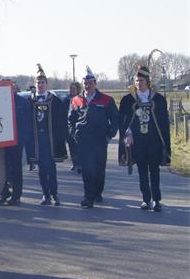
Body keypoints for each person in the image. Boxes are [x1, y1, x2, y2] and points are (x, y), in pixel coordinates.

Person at [119, 66, 171, 211]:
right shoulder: (128, 100)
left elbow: (163, 122)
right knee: (142, 170)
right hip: (138, 141)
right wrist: (128, 133)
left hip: (153, 141)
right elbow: (123, 120)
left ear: (147, 81)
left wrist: (164, 141)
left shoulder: (158, 99)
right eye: (136, 81)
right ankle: (146, 199)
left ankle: (156, 200)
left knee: (154, 170)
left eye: (141, 80)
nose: (138, 83)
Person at [69, 66, 119, 208]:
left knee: (99, 169)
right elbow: (70, 120)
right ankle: (88, 197)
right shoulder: (76, 100)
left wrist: (109, 134)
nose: (87, 86)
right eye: (85, 83)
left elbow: (115, 119)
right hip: (83, 141)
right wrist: (74, 134)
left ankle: (98, 192)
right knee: (86, 169)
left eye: (90, 83)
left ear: (95, 84)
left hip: (99, 140)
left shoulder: (106, 99)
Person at [27, 64, 67, 205]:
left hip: (50, 140)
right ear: (35, 84)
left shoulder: (55, 101)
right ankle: (45, 194)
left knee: (51, 168)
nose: (40, 85)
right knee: (41, 169)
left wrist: (60, 138)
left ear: (46, 84)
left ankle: (54, 194)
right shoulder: (30, 101)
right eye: (38, 82)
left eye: (42, 82)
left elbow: (62, 121)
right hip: (37, 140)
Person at [0, 85, 31, 205]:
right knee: (3, 167)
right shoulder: (0, 101)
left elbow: (28, 121)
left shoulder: (22, 102)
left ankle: (16, 195)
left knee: (16, 168)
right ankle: (4, 193)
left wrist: (24, 138)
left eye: (12, 87)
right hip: (3, 139)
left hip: (17, 140)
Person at [66, 81, 83, 172]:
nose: (72, 90)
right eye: (71, 88)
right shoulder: (66, 99)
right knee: (71, 146)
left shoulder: (81, 99)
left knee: (78, 147)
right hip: (68, 126)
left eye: (74, 89)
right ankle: (74, 163)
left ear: (78, 90)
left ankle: (80, 164)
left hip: (78, 125)